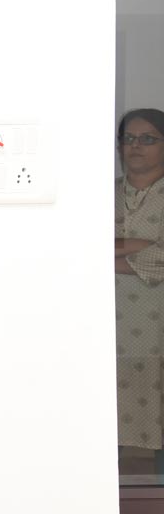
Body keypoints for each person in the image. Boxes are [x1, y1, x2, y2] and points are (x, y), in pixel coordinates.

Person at [115, 108, 164, 476]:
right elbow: (77, 248)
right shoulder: (102, 194)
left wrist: (110, 251)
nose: (136, 146)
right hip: (110, 322)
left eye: (148, 139)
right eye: (129, 138)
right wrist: (139, 245)